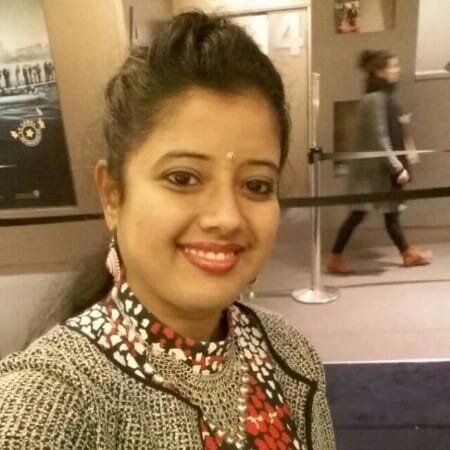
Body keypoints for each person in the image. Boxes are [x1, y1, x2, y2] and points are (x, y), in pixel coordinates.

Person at [0, 11, 335, 449]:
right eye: (183, 178)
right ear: (112, 195)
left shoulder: (292, 356)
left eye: (256, 185)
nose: (227, 217)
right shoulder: (51, 402)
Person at [327, 49, 432, 274]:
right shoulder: (375, 99)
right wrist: (397, 167)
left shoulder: (383, 98)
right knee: (358, 213)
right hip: (371, 174)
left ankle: (406, 253)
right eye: (393, 66)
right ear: (379, 71)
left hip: (378, 172)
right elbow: (379, 137)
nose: (397, 70)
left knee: (391, 212)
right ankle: (335, 257)